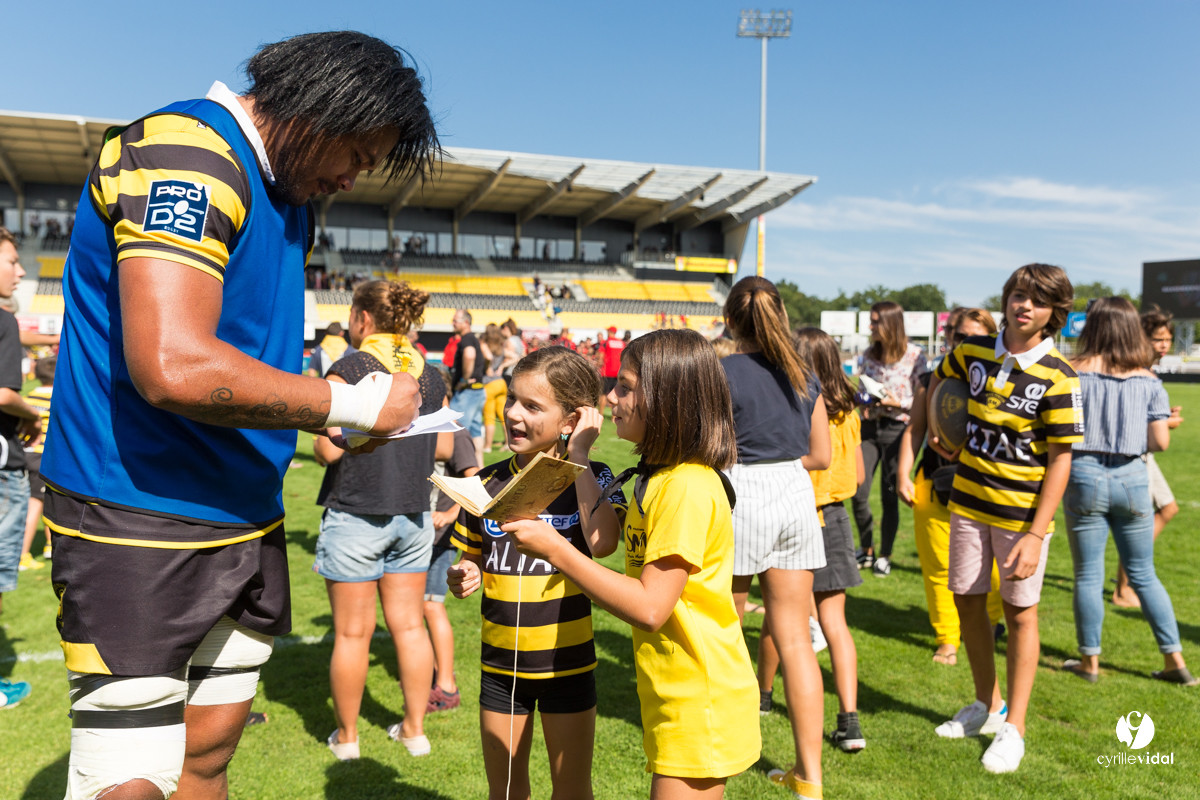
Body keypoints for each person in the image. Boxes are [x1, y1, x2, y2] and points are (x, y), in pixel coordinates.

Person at [38, 32, 437, 799]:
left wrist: (320, 419)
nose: (354, 177)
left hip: (245, 514)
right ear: (316, 110)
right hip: (136, 507)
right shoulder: (186, 151)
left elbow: (245, 349)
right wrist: (348, 400)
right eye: (357, 150)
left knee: (209, 756)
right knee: (126, 779)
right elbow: (174, 365)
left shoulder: (287, 195)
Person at [504, 329, 761, 799]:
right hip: (673, 690)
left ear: (665, 400)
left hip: (699, 697)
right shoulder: (660, 478)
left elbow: (649, 607)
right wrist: (578, 454)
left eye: (624, 387)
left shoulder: (686, 486)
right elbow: (605, 540)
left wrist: (557, 550)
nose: (609, 398)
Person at [448, 346, 625, 800]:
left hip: (568, 663)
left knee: (571, 791)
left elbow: (603, 543)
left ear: (571, 420)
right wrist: (465, 571)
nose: (512, 414)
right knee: (505, 792)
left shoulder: (597, 477)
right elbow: (473, 555)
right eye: (512, 400)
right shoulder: (483, 483)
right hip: (499, 666)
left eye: (532, 406)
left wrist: (580, 456)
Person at [929, 264, 1083, 774]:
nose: (1024, 306)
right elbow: (940, 379)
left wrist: (1038, 534)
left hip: (1022, 519)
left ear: (1054, 313)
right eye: (1018, 295)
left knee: (1020, 614)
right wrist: (938, 424)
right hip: (969, 504)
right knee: (968, 603)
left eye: (1037, 301)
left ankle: (1014, 726)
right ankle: (986, 705)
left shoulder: (1060, 374)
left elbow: (1062, 459)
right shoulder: (972, 349)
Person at [312, 279, 445, 760]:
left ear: (363, 319)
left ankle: (347, 740)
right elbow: (445, 443)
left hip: (355, 510)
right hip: (413, 510)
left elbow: (326, 448)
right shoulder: (431, 373)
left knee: (352, 633)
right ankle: (414, 731)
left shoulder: (347, 367)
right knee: (410, 627)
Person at [721, 276, 829, 799]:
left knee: (725, 628)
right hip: (793, 490)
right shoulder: (804, 372)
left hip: (740, 489)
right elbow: (822, 454)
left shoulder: (721, 372)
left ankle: (719, 749)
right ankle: (810, 777)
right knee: (795, 640)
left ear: (729, 319)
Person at [1060, 297, 1196, 686]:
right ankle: (1175, 661)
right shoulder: (1148, 380)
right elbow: (1160, 442)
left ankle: (1090, 663)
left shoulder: (1071, 372)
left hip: (1083, 473)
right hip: (1133, 477)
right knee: (1144, 574)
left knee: (1088, 575)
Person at [774, 327, 867, 753]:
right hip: (836, 516)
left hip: (796, 514)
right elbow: (860, 475)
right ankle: (850, 720)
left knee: (782, 619)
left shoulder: (797, 404)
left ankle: (760, 697)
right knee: (836, 624)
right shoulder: (849, 409)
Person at [898, 309, 1003, 666]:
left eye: (976, 337)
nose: (965, 345)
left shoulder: (1003, 383)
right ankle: (948, 638)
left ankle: (987, 625)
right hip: (935, 480)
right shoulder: (930, 379)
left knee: (993, 570)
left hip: (989, 488)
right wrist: (902, 473)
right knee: (938, 567)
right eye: (959, 337)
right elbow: (914, 429)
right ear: (949, 339)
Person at [851, 300, 928, 576]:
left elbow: (922, 397)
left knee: (889, 493)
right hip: (870, 427)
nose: (870, 327)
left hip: (899, 429)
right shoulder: (869, 355)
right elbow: (863, 387)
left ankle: (885, 554)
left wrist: (899, 402)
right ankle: (867, 548)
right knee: (859, 490)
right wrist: (864, 400)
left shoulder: (915, 356)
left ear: (890, 323)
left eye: (874, 322)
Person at [1111, 305, 1181, 608]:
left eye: (1167, 339)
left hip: (1144, 454)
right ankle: (1123, 588)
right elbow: (1129, 421)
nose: (1163, 345)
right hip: (1135, 456)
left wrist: (1165, 418)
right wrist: (1167, 423)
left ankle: (1127, 575)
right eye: (1157, 339)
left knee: (1168, 509)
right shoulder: (1137, 371)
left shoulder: (1148, 371)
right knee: (1150, 517)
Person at [0, 227, 39, 710]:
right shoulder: (4, 321)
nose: (22, 269)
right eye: (12, 261)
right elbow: (3, 393)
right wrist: (32, 413)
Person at [424, 425, 479, 714]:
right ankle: (431, 674)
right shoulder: (419, 430)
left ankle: (446, 687)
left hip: (440, 538)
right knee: (420, 608)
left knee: (432, 607)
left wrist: (448, 514)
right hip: (418, 535)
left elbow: (476, 486)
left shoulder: (456, 435)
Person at [18, 355, 55, 570]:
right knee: (37, 504)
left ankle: (50, 546)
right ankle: (23, 555)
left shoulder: (28, 398)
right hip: (45, 457)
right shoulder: (58, 398)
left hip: (28, 454)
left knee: (45, 499)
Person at [449, 309, 487, 466]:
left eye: (455, 321)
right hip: (478, 391)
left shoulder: (466, 339)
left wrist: (464, 379)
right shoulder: (474, 338)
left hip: (467, 393)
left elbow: (469, 355)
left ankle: (462, 470)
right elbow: (487, 357)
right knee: (476, 433)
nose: (452, 323)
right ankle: (479, 470)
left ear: (466, 323)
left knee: (454, 431)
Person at [479, 323, 508, 454]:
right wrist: (502, 367)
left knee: (489, 416)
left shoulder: (484, 345)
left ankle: (488, 446)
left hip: (489, 384)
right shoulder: (501, 347)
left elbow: (489, 357)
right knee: (503, 416)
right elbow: (515, 356)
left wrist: (489, 366)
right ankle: (507, 444)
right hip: (501, 383)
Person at [599, 325, 625, 413]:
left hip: (607, 372)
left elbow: (601, 358)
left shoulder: (605, 342)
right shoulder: (621, 343)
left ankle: (601, 414)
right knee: (615, 394)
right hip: (618, 372)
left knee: (603, 394)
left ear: (609, 332)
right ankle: (614, 417)